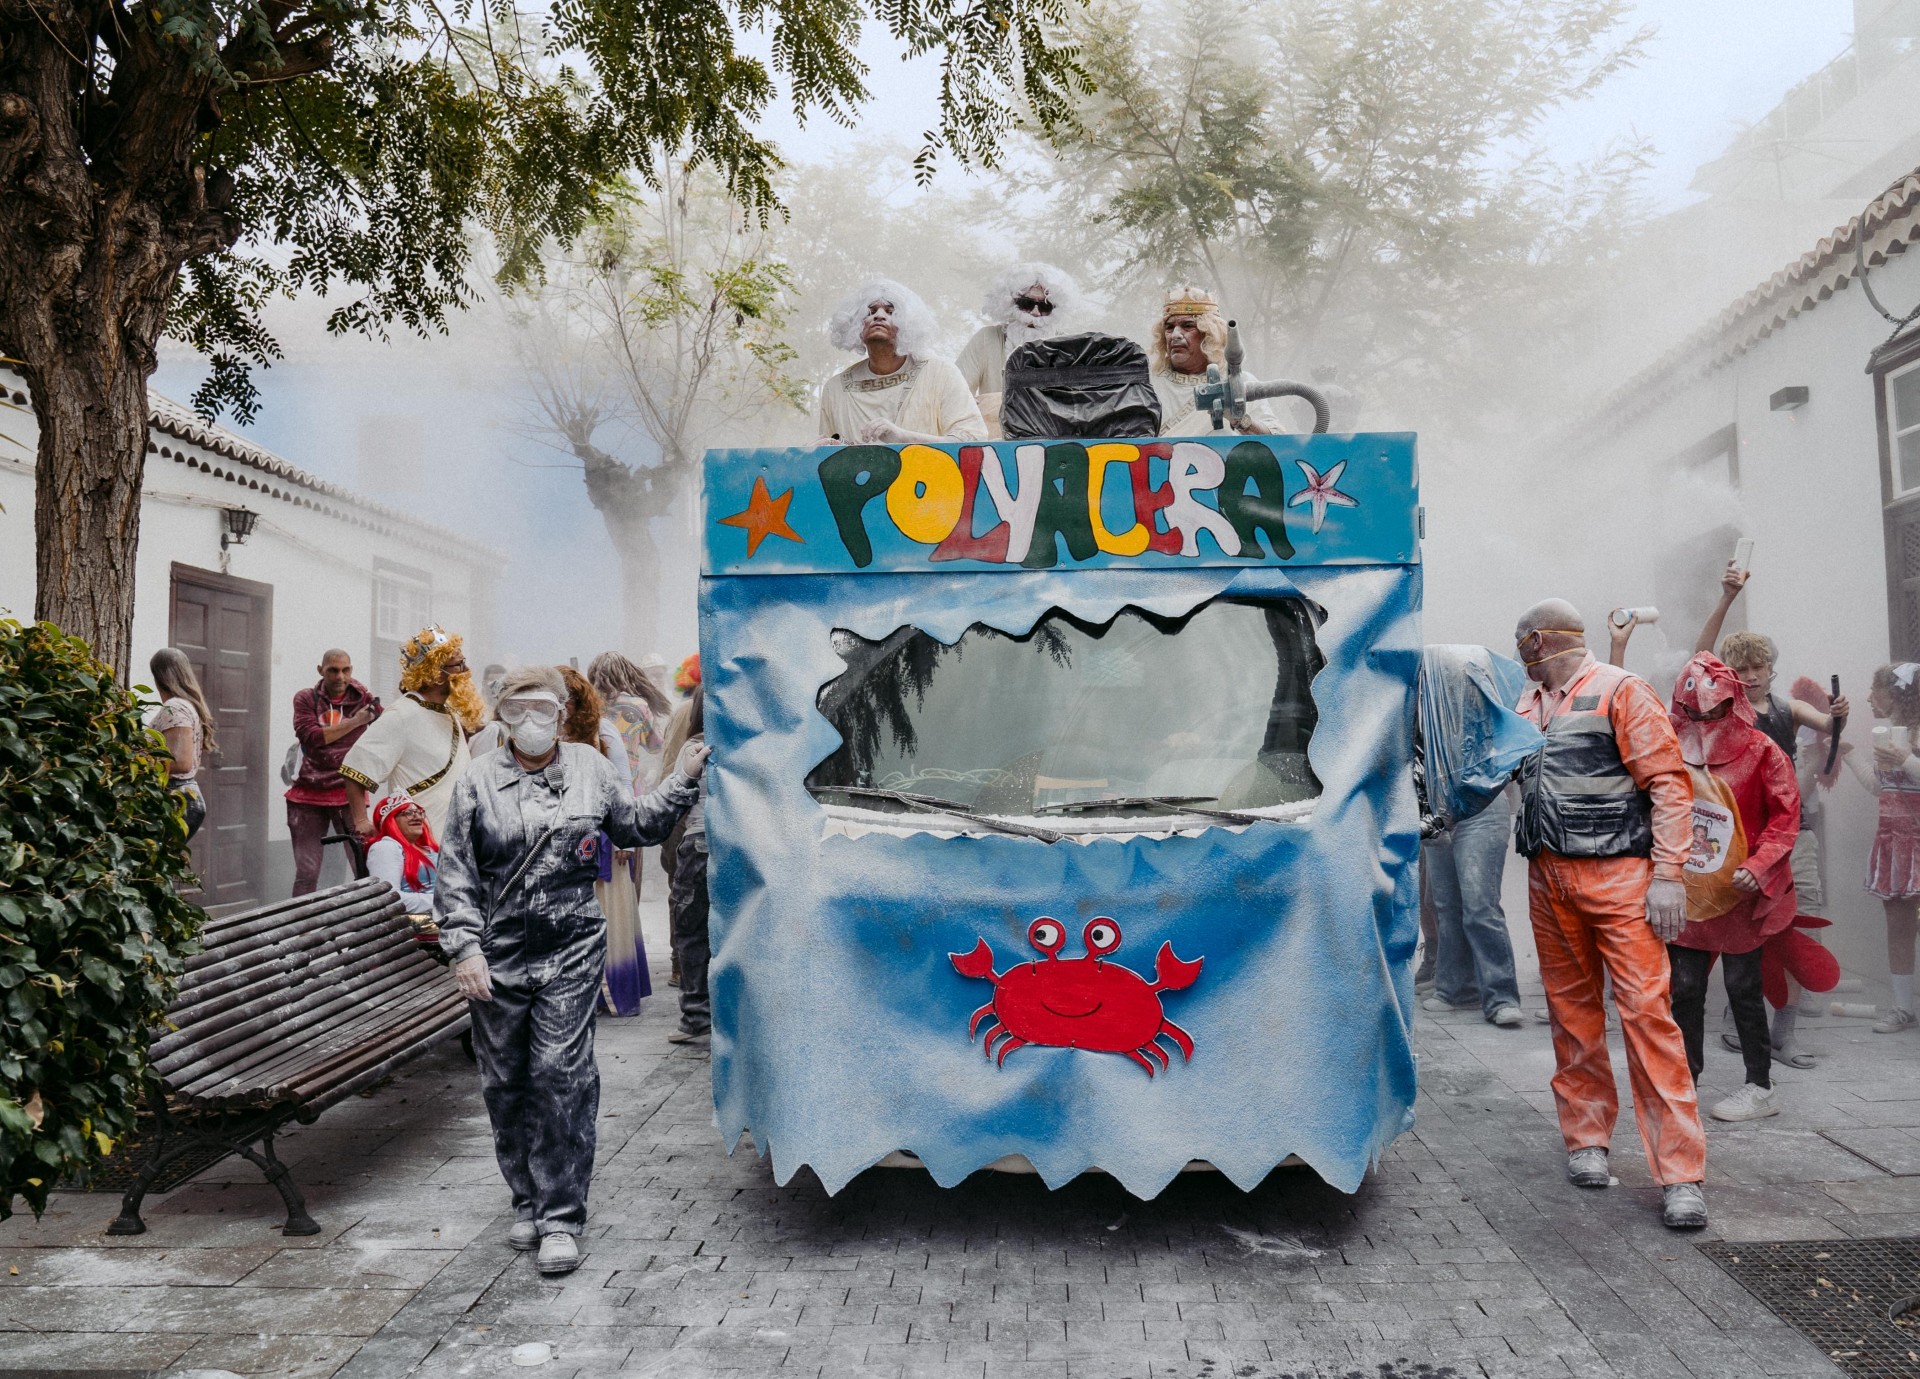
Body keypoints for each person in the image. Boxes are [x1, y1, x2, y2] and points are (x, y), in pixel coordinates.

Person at [435, 666, 707, 1275]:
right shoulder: (477, 781)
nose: (529, 721)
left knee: (560, 1073)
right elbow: (455, 872)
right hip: (499, 953)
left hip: (571, 946)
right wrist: (465, 949)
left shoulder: (589, 767)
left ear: (562, 712)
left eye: (541, 708)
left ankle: (562, 1215)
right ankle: (525, 1196)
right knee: (504, 1082)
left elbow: (635, 826)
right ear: (501, 716)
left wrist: (683, 779)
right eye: (516, 709)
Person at [1512, 599, 1709, 1230]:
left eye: (1522, 643)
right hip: (1551, 878)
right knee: (1571, 1016)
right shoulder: (1530, 703)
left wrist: (1670, 876)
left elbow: (1670, 785)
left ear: (1539, 640)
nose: (1519, 653)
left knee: (1647, 1017)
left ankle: (1681, 1176)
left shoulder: (1622, 692)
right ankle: (1587, 1140)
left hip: (1621, 879)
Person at [1663, 654, 1800, 1122]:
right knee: (1683, 988)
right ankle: (1684, 1085)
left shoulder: (1763, 750)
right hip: (1688, 889)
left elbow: (1785, 818)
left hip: (1741, 893)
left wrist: (1760, 866)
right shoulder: (1667, 746)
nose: (1702, 722)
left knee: (1743, 987)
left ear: (1732, 704)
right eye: (1694, 713)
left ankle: (1760, 1085)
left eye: (1712, 712)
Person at [340, 624, 483, 840]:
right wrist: (361, 820)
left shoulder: (450, 714)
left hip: (457, 842)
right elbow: (356, 767)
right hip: (420, 845)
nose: (465, 671)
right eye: (458, 664)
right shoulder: (402, 714)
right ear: (436, 673)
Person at [815, 279, 988, 445]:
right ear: (855, 324)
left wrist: (903, 437)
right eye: (870, 312)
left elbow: (973, 440)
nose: (879, 316)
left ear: (907, 323)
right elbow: (829, 457)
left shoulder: (941, 373)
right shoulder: (835, 389)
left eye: (890, 312)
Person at [1852, 663, 1920, 1033]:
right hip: (1894, 840)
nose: (1867, 697)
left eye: (1874, 690)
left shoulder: (1916, 732)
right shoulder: (1884, 733)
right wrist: (1848, 755)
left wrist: (1906, 759)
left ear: (1897, 694)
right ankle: (1902, 1007)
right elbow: (1880, 787)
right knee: (1897, 924)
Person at [1420, 787, 1523, 1027]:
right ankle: (1457, 991)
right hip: (1436, 810)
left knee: (1480, 906)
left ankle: (1502, 999)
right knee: (1446, 906)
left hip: (1480, 806)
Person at [287, 649, 381, 895]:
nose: (340, 676)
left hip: (348, 793)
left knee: (363, 865)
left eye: (346, 670)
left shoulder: (365, 699)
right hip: (308, 794)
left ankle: (369, 923)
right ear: (321, 670)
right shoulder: (306, 698)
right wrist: (356, 722)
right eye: (333, 670)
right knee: (306, 873)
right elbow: (312, 737)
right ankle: (299, 926)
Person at [954, 263, 1083, 436]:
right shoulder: (987, 339)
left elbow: (1080, 407)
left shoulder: (1070, 347)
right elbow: (955, 396)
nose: (1035, 313)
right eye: (1026, 304)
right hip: (997, 447)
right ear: (1010, 304)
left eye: (1045, 307)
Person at [1146, 286, 1280, 436]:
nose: (1175, 335)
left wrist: (1240, 421)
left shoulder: (1238, 382)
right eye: (1169, 328)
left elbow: (1277, 440)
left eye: (1188, 326)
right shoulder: (1148, 386)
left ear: (1209, 333)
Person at [659, 685, 711, 1044]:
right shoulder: (749, 748)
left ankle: (695, 1016)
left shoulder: (693, 748)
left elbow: (675, 803)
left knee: (692, 934)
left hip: (698, 847)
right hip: (740, 849)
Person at [146, 648, 217, 841]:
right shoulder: (186, 705)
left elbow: (181, 762)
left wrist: (135, 762)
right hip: (184, 797)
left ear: (159, 676)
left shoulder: (175, 707)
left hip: (177, 798)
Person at [366, 793, 441, 949]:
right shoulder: (386, 847)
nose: (417, 817)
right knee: (479, 928)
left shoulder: (429, 849)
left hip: (440, 916)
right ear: (390, 821)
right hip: (412, 921)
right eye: (407, 813)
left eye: (419, 812)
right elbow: (388, 898)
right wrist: (439, 901)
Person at [590, 652, 672, 794]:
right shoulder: (638, 706)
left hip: (596, 787)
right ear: (625, 674)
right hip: (630, 787)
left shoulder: (588, 707)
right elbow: (656, 747)